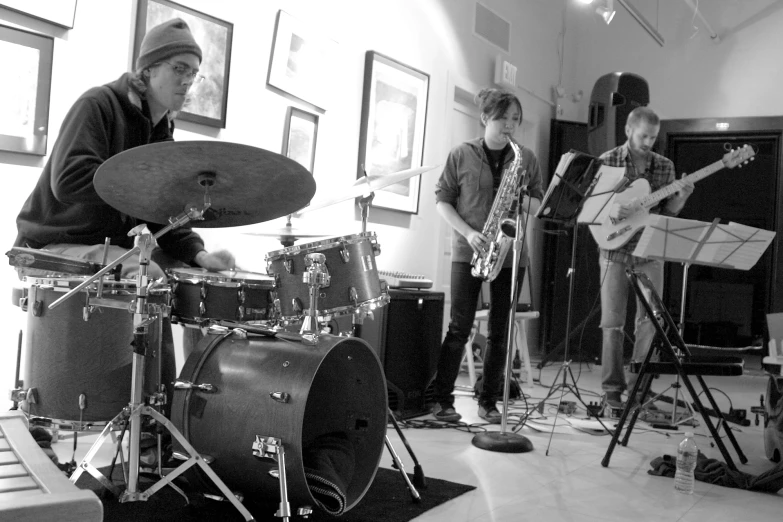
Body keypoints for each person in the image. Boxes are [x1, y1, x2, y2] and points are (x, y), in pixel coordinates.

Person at [13, 18, 235, 414]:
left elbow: (162, 214)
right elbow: (70, 181)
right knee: (149, 279)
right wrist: (140, 188)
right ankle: (153, 416)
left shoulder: (161, 128)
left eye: (194, 74)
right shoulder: (98, 105)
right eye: (178, 69)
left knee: (201, 286)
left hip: (115, 247)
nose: (187, 81)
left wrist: (199, 256)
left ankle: (198, 413)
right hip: (57, 241)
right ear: (148, 69)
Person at [431, 88, 543, 423]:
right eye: (503, 118)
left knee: (500, 329)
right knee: (459, 326)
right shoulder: (461, 154)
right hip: (469, 249)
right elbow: (442, 200)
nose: (509, 125)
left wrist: (521, 195)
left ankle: (489, 401)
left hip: (510, 254)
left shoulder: (526, 158)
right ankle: (441, 400)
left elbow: (538, 206)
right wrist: (468, 232)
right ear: (485, 118)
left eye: (515, 120)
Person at [598, 106, 694, 410]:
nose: (648, 142)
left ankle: (639, 391)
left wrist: (682, 198)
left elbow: (667, 214)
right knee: (612, 324)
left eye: (653, 137)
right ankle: (612, 392)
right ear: (628, 130)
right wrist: (612, 209)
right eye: (643, 136)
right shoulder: (607, 160)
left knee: (650, 323)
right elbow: (592, 208)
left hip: (650, 251)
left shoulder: (664, 166)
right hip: (613, 249)